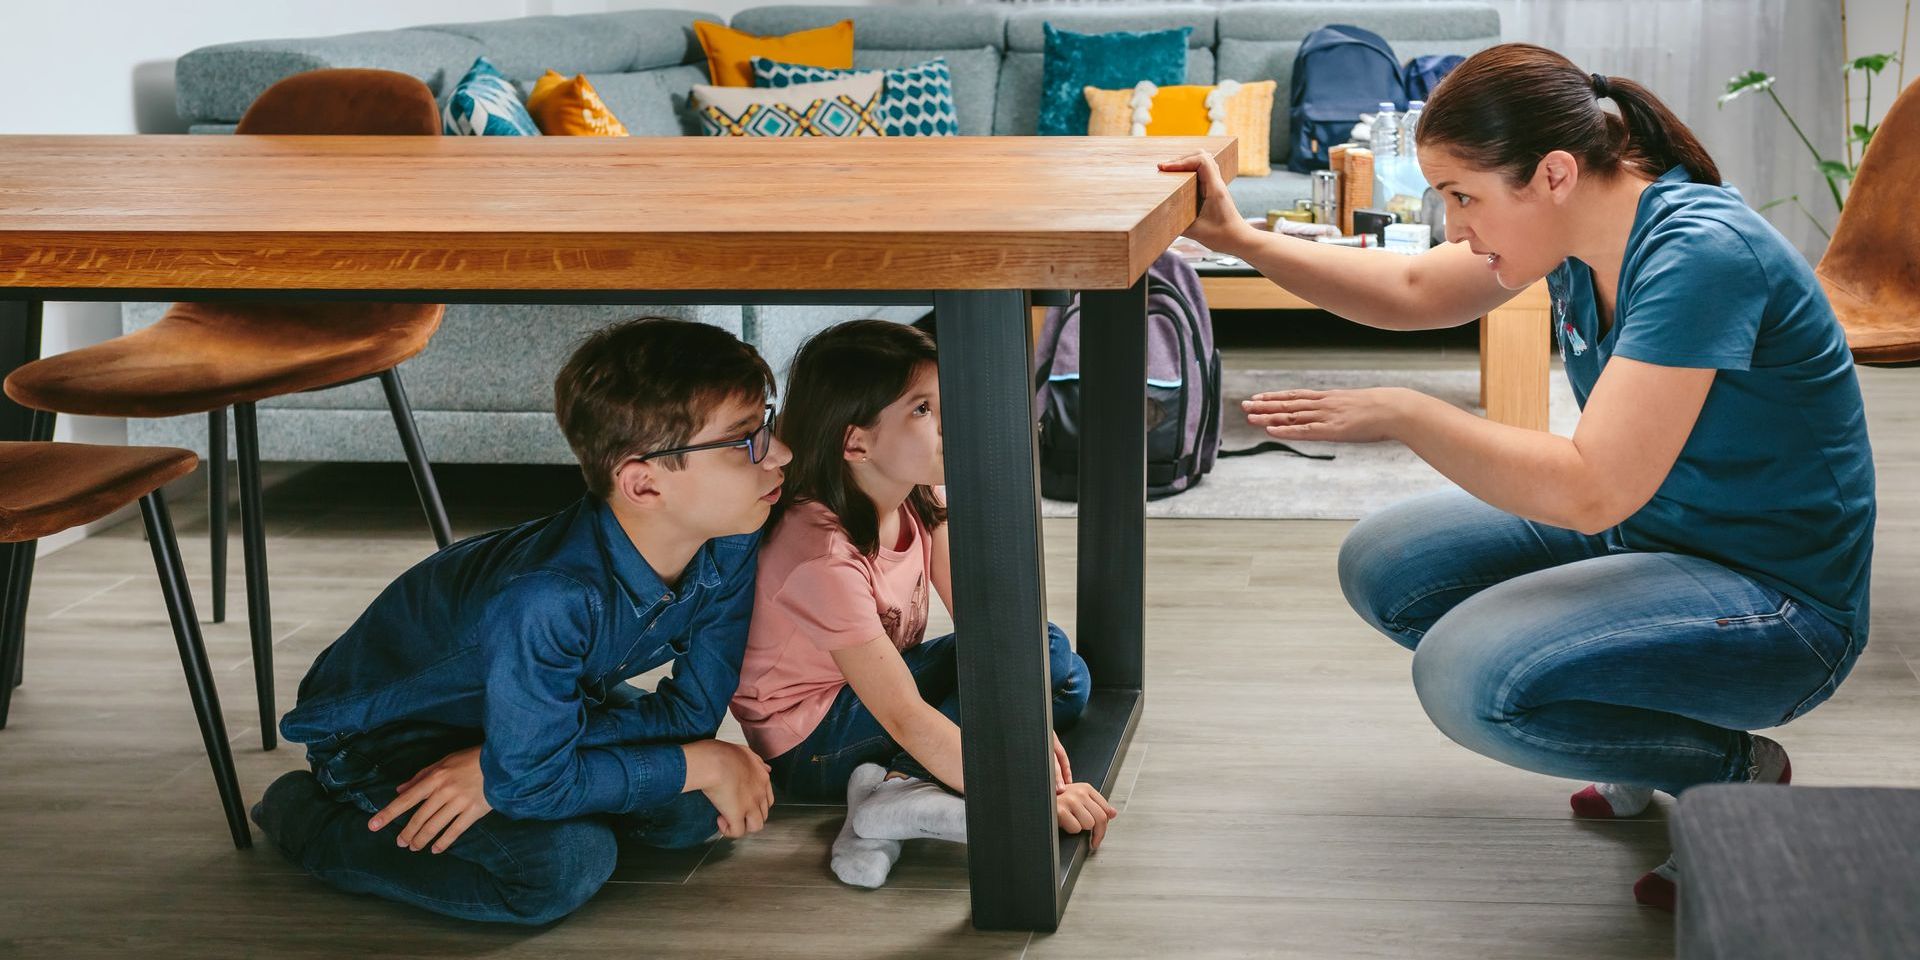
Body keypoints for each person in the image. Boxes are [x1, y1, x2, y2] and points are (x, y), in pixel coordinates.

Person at [1161, 43, 1874, 911]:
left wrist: (1408, 412)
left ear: (1554, 174)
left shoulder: (1701, 255)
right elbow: (1415, 288)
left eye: (1464, 196)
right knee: (1387, 561)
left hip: (1778, 605)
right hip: (1652, 535)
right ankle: (1635, 741)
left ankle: (1732, 770)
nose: (1454, 224)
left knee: (1467, 677)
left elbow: (1590, 488)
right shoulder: (1576, 234)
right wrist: (1238, 239)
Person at [251, 318, 788, 924]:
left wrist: (503, 767)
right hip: (389, 728)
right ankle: (306, 816)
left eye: (767, 425)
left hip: (543, 704)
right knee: (563, 865)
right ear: (643, 483)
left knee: (693, 813)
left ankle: (539, 768)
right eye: (746, 441)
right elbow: (556, 775)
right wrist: (703, 761)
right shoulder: (547, 599)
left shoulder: (731, 535)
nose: (781, 454)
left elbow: (690, 714)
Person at [730, 319, 1117, 889]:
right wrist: (1029, 791)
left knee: (1052, 662)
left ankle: (888, 794)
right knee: (1036, 675)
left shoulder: (916, 488)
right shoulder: (820, 553)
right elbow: (904, 713)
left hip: (874, 696)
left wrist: (1025, 725)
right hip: (812, 740)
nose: (950, 420)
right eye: (923, 410)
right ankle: (897, 790)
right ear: (855, 442)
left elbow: (986, 625)